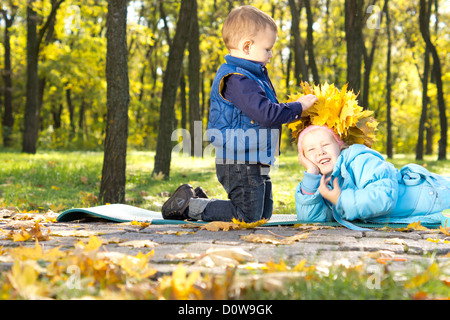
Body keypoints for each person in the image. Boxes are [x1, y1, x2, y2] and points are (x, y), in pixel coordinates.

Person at [162, 5, 318, 222]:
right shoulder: (237, 79)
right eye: (268, 49)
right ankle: (189, 205)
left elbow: (266, 114)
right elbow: (267, 114)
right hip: (238, 161)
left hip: (255, 158)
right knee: (247, 216)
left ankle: (197, 199)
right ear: (247, 46)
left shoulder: (252, 76)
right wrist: (298, 107)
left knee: (263, 214)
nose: (271, 55)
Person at [295, 125, 450, 230]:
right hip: (427, 211)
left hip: (434, 195)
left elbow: (383, 198)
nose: (320, 152)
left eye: (326, 145)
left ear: (339, 146)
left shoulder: (361, 160)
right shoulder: (325, 183)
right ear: (304, 158)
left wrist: (341, 200)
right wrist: (311, 175)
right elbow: (310, 220)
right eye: (311, 150)